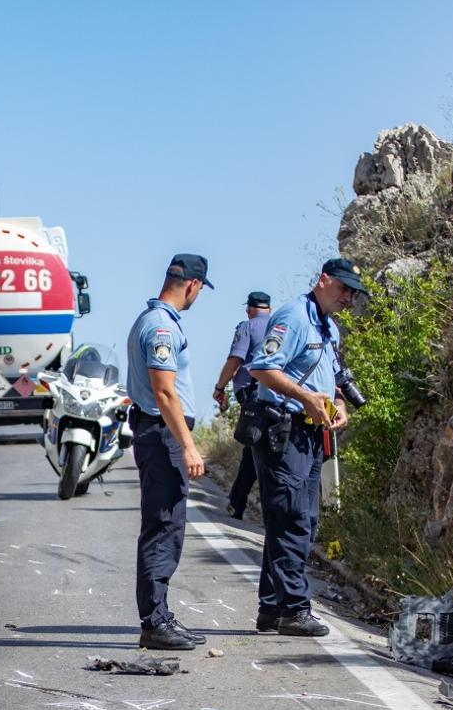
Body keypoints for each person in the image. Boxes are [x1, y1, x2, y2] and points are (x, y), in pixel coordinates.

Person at [244, 258, 368, 636]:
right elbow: (262, 367)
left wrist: (338, 405)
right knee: (292, 518)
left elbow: (330, 380)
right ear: (323, 280)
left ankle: (272, 607)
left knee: (301, 520)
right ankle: (295, 609)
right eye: (343, 288)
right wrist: (306, 398)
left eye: (353, 292)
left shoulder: (329, 328)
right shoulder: (294, 317)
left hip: (312, 432)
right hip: (284, 428)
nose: (348, 297)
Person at [126, 254, 212, 651]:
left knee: (166, 526)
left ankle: (159, 615)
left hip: (158, 434)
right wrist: (188, 445)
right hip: (162, 437)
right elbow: (164, 392)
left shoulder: (152, 321)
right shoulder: (162, 328)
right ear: (192, 285)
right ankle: (154, 621)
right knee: (164, 526)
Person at [211, 290, 273, 518]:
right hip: (280, 393)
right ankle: (239, 500)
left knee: (255, 446)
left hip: (252, 394)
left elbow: (235, 360)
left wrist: (220, 388)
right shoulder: (281, 324)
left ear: (249, 308)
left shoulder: (247, 327)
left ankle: (240, 501)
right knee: (259, 447)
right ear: (270, 309)